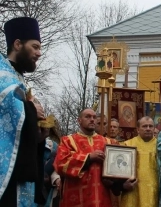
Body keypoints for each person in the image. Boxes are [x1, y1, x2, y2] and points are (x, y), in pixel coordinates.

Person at [0, 17, 47, 206]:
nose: (39, 53)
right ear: (18, 44)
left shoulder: (18, 78)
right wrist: (32, 109)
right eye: (35, 47)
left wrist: (39, 134)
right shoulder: (3, 74)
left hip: (18, 175)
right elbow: (8, 107)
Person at [54, 109, 136, 207]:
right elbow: (61, 164)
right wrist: (89, 157)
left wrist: (122, 185)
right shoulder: (68, 141)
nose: (92, 119)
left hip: (102, 198)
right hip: (77, 198)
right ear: (79, 120)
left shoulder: (109, 143)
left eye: (94, 117)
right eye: (88, 117)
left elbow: (117, 172)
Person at [120, 116, 158, 207]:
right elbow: (119, 169)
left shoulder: (160, 145)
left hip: (154, 189)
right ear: (138, 129)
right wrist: (122, 184)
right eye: (144, 126)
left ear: (154, 128)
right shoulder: (127, 144)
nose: (148, 129)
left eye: (150, 126)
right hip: (133, 189)